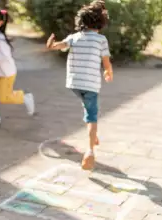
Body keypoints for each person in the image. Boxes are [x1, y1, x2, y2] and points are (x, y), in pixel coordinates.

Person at [46, 0, 113, 170]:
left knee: (87, 107)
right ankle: (90, 151)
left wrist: (51, 45)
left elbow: (58, 46)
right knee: (92, 116)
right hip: (90, 84)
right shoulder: (101, 40)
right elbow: (106, 61)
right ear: (101, 22)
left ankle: (93, 135)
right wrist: (108, 72)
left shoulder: (74, 37)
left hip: (74, 83)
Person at [0, 7, 36, 126]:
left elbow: (3, 56)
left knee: (4, 97)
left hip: (7, 73)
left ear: (0, 23)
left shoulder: (0, 39)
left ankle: (24, 96)